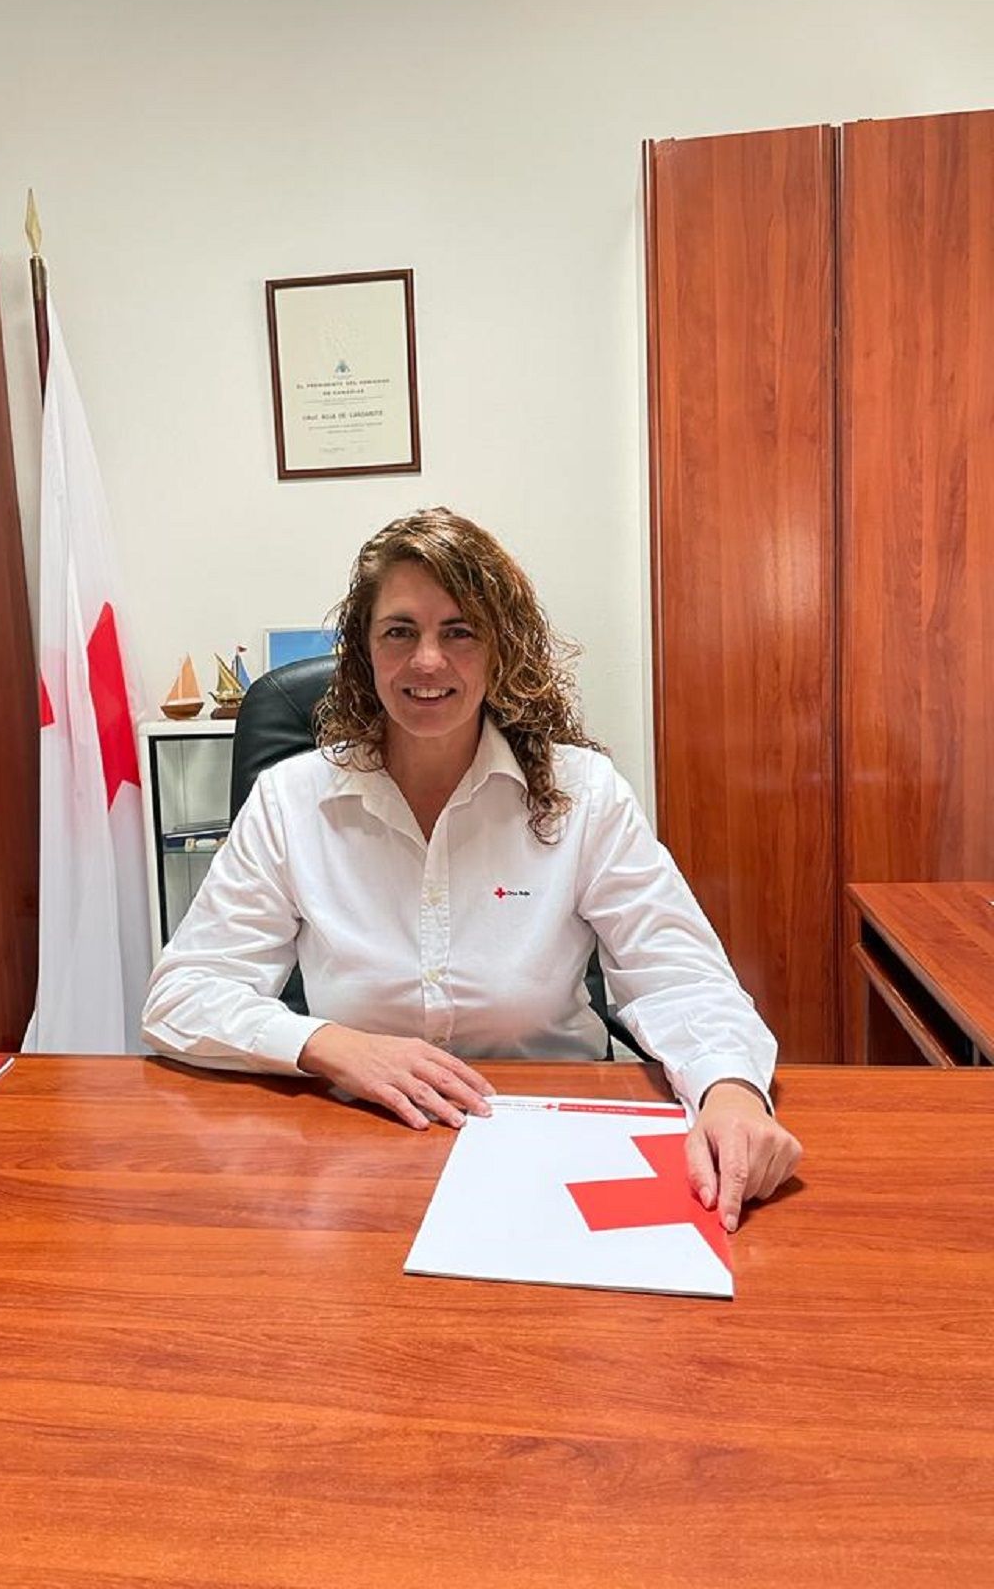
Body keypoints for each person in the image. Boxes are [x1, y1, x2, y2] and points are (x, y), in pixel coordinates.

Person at [143, 507, 802, 1231]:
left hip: (557, 1144)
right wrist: (329, 1046)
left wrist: (731, 1092)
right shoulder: (292, 801)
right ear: (364, 652)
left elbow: (680, 975)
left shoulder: (581, 794)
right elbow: (183, 993)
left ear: (501, 651)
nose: (428, 661)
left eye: (459, 632)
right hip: (360, 1151)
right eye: (400, 632)